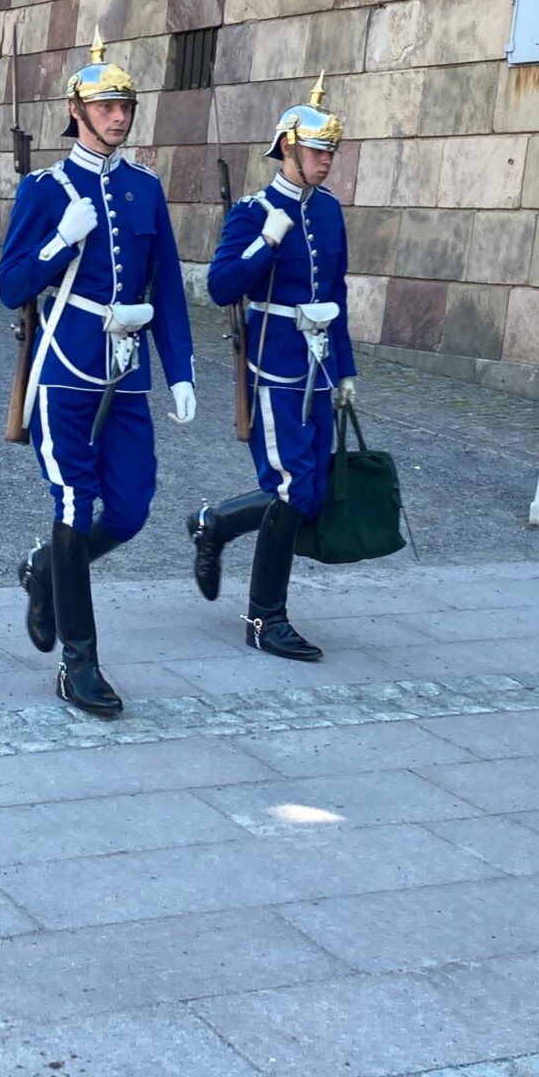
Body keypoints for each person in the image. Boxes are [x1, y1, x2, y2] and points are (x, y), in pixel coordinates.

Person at [0, 31, 196, 718]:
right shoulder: (46, 189)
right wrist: (59, 238)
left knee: (132, 509)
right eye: (107, 106)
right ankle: (79, 664)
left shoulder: (144, 190)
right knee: (76, 506)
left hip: (127, 371)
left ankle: (47, 569)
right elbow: (10, 283)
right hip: (65, 366)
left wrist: (182, 372)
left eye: (125, 107)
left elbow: (166, 284)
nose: (119, 117)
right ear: (77, 111)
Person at [187, 74, 357, 662]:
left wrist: (346, 369)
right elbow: (220, 286)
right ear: (288, 148)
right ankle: (266, 618)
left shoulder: (331, 212)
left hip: (319, 367)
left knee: (307, 489)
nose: (326, 162)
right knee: (291, 486)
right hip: (273, 364)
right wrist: (266, 242)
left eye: (331, 152)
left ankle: (216, 523)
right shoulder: (254, 211)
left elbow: (336, 292)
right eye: (317, 151)